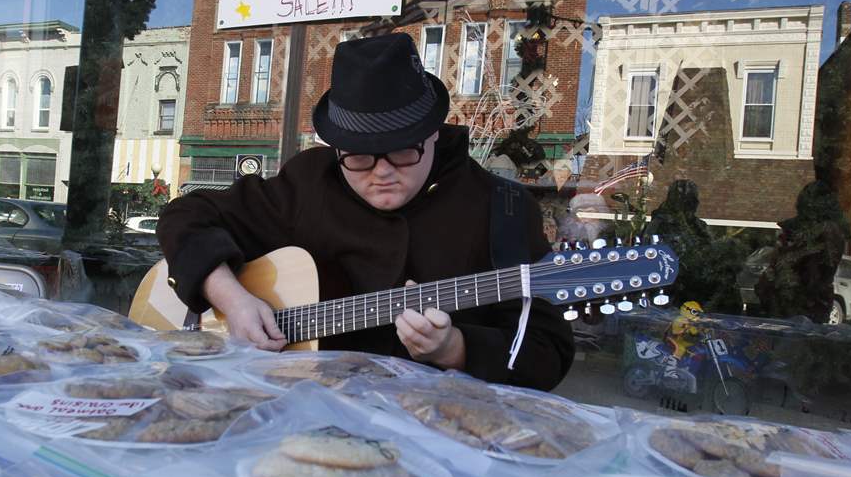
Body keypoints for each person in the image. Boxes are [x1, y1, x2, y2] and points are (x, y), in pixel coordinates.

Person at [157, 33, 574, 391]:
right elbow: (186, 216)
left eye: (401, 151)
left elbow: (547, 352)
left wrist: (454, 348)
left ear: (433, 133)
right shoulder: (309, 181)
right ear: (338, 148)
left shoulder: (502, 208)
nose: (382, 173)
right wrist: (232, 299)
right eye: (359, 157)